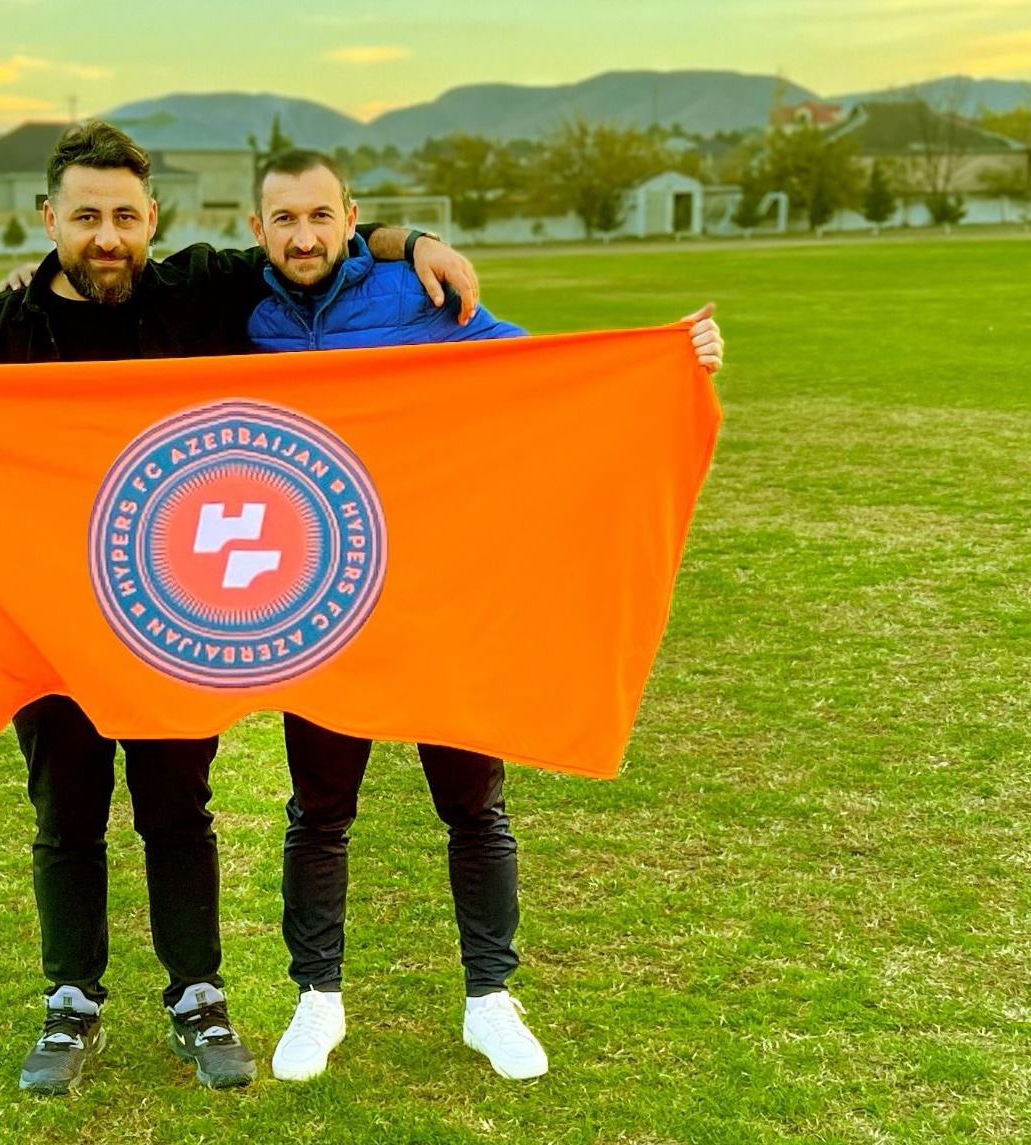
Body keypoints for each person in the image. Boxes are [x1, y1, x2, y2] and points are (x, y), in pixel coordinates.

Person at [0, 121, 483, 1096]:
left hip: (164, 617)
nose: (108, 236)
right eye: (87, 217)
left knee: (177, 812)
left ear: (153, 218)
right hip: (47, 624)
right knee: (66, 817)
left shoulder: (196, 292)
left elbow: (309, 242)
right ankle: (71, 1000)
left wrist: (414, 241)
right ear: (49, 219)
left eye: (125, 216)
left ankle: (198, 996)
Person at [236, 149, 723, 1083]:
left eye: (320, 216)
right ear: (256, 229)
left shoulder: (415, 294)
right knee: (320, 811)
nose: (302, 236)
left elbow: (540, 374)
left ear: (350, 221)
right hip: (324, 603)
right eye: (283, 219)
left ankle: (490, 996)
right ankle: (317, 996)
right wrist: (32, 276)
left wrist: (667, 363)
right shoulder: (236, 314)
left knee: (472, 804)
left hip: (443, 591)